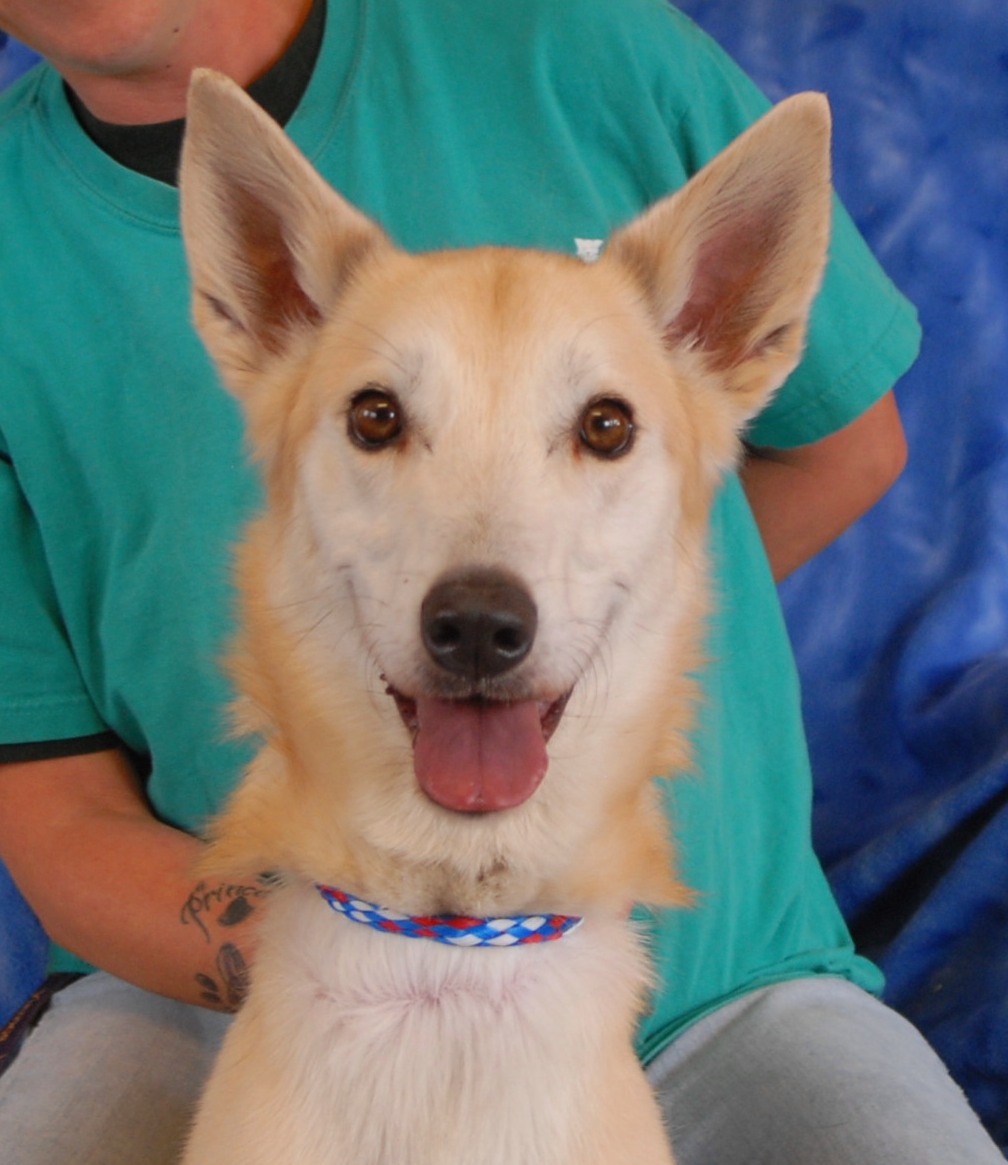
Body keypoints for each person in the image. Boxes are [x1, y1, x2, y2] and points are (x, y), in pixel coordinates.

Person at [0, 1, 1000, 1162]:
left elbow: (852, 447)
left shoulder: (576, 43)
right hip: (219, 976)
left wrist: (595, 635)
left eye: (602, 429)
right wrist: (365, 950)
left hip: (728, 976)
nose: (482, 604)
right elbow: (56, 816)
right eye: (380, 420)